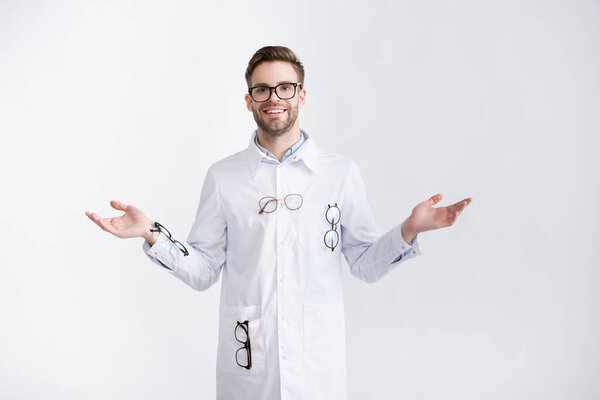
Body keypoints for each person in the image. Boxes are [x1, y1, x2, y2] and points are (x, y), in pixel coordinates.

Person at [86, 45, 472, 400]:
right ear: (249, 100)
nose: (274, 98)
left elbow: (365, 265)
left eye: (285, 88)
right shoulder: (225, 177)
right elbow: (203, 271)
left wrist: (408, 230)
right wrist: (152, 233)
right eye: (262, 89)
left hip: (317, 368)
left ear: (301, 96)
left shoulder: (339, 174)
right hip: (250, 362)